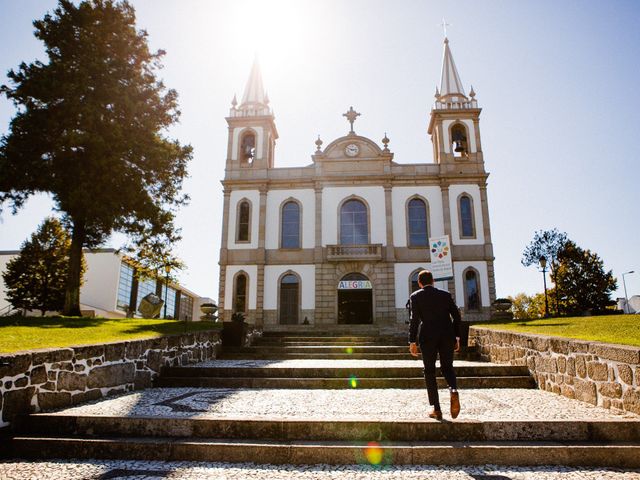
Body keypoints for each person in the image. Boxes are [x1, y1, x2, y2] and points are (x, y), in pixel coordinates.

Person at [408, 269, 462, 420]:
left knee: (429, 371)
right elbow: (457, 316)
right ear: (433, 281)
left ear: (419, 283)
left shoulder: (416, 296)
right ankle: (453, 389)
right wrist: (457, 337)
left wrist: (412, 341)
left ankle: (437, 409)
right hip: (447, 335)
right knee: (447, 368)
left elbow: (414, 320)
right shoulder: (445, 295)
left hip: (428, 337)